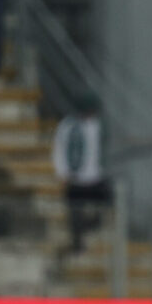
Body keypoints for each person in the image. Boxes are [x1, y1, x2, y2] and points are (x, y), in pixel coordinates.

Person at [52, 99, 110, 253]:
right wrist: (62, 173)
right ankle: (77, 243)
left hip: (94, 177)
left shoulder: (98, 126)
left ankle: (87, 228)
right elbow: (59, 150)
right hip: (75, 178)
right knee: (75, 212)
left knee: (102, 210)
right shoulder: (68, 125)